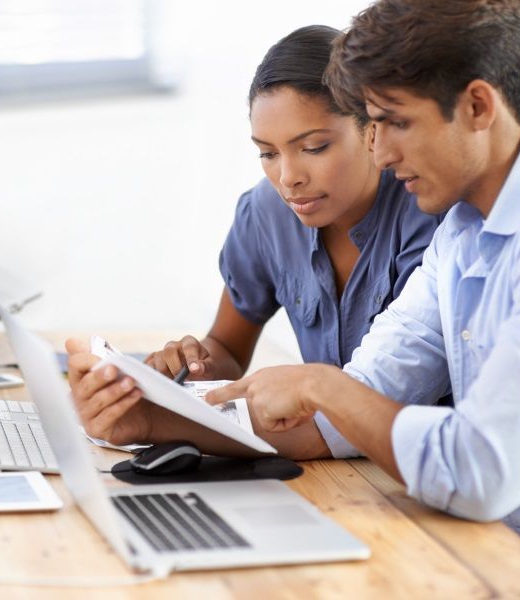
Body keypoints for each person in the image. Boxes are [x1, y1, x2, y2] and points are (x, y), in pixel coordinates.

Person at [205, 0, 520, 583]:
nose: (382, 153)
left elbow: (476, 473)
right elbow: (357, 405)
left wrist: (319, 385)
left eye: (395, 122)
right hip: (481, 554)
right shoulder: (462, 231)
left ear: (477, 106)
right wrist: (151, 422)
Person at [66, 25, 443, 459]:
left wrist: (157, 422)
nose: (288, 177)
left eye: (314, 147)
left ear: (371, 130)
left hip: (408, 464)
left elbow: (377, 404)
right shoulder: (266, 213)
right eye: (268, 153)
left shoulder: (428, 216)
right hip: (326, 463)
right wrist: (190, 368)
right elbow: (228, 348)